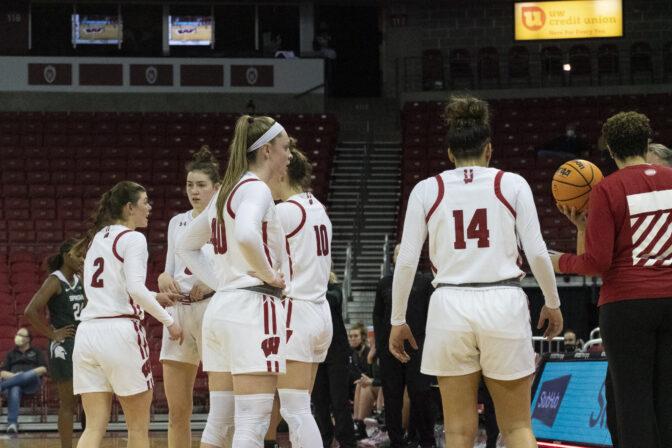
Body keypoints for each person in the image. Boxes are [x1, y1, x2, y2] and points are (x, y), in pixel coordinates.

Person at [389, 95, 563, 448]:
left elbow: (407, 260)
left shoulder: (427, 189)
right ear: (489, 149)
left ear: (450, 153)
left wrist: (397, 319)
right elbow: (537, 251)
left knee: (457, 431)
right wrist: (553, 301)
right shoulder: (512, 183)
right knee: (516, 427)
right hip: (503, 300)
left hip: (449, 304)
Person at [551, 111, 672, 448]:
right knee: (667, 400)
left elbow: (597, 262)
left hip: (627, 305)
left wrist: (560, 261)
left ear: (611, 152)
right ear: (647, 143)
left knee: (632, 402)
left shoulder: (607, 189)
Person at [176, 115, 290, 448]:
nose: (288, 155)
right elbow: (245, 234)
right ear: (267, 151)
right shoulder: (256, 188)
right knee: (252, 423)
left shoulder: (226, 190)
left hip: (222, 308)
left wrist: (221, 282)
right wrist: (270, 275)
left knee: (220, 421)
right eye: (285, 148)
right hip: (251, 307)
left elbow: (186, 246)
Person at [72, 180, 183, 448]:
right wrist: (169, 322)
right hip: (120, 333)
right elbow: (134, 289)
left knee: (93, 427)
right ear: (129, 207)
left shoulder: (97, 238)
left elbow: (113, 289)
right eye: (145, 202)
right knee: (137, 429)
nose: (150, 207)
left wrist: (154, 296)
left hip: (87, 333)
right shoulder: (133, 238)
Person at [264, 139, 333, 447]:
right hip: (320, 312)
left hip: (297, 312)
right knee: (301, 407)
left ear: (282, 174)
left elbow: (266, 265)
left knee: (295, 410)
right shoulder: (317, 206)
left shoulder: (285, 212)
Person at [157, 146, 221, 448]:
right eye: (189, 185)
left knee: (223, 410)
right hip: (179, 314)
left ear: (216, 187)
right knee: (177, 411)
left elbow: (236, 272)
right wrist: (163, 278)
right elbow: (168, 269)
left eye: (201, 185)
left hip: (213, 311)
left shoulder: (225, 221)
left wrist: (210, 285)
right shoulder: (177, 222)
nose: (193, 191)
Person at [373, 243, 436, 448]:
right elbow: (378, 317)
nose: (402, 256)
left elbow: (431, 316)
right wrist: (381, 347)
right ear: (393, 258)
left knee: (420, 394)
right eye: (398, 253)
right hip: (390, 350)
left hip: (419, 348)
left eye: (406, 252)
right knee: (392, 397)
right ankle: (396, 440)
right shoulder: (384, 283)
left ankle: (426, 440)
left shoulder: (426, 282)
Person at [24, 240, 85, 447]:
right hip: (64, 346)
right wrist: (52, 334)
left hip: (84, 343)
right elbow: (30, 311)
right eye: (79, 255)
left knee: (90, 402)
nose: (82, 259)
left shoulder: (79, 279)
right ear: (67, 255)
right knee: (69, 403)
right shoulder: (54, 281)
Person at [312, 272, 358, 448]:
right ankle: (325, 440)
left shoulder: (334, 289)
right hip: (315, 351)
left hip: (337, 351)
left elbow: (333, 300)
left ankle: (347, 442)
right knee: (319, 402)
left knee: (339, 401)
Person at [0, 328, 48, 434]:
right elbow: (2, 373)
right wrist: (15, 376)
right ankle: (12, 423)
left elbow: (43, 369)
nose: (17, 336)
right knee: (15, 387)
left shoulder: (36, 352)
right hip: (14, 382)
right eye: (17, 334)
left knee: (28, 375)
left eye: (21, 335)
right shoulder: (11, 353)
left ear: (28, 339)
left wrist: (25, 375)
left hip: (32, 383)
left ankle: (2, 386)